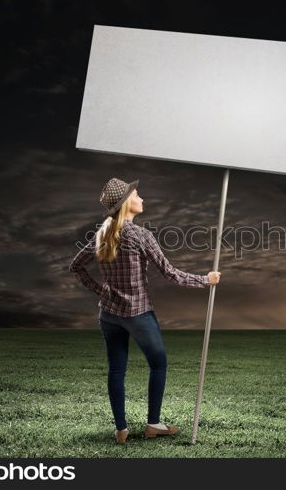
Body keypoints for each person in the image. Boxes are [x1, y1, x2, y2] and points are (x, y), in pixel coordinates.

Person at [69, 177, 221, 445]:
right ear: (127, 203)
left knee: (116, 370)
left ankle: (121, 430)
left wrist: (99, 290)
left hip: (109, 314)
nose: (142, 198)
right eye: (137, 194)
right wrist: (206, 280)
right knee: (158, 363)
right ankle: (153, 424)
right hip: (138, 314)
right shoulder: (140, 235)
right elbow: (171, 274)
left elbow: (76, 265)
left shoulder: (102, 233)